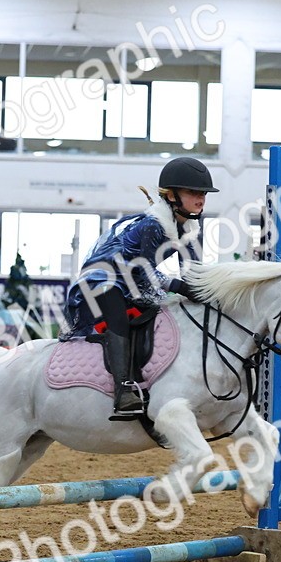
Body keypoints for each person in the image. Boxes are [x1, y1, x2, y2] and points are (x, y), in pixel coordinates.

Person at [63, 157, 217, 417]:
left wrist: (211, 290)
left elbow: (193, 275)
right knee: (115, 302)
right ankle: (123, 388)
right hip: (101, 280)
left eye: (203, 193)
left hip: (133, 280)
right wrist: (177, 285)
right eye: (193, 193)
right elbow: (142, 271)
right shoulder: (152, 226)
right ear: (171, 196)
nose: (200, 199)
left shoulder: (190, 229)